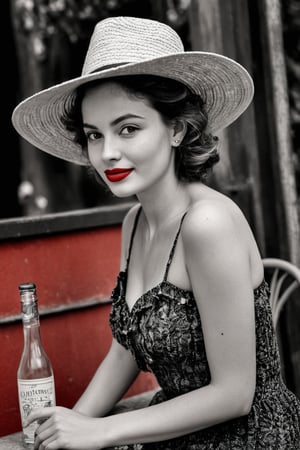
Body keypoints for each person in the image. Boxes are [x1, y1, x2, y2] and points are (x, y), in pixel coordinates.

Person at [12, 15, 300, 450]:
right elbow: (126, 348)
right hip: (173, 434)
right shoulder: (134, 223)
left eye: (128, 128)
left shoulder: (208, 224)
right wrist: (69, 425)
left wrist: (101, 430)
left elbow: (235, 394)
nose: (107, 153)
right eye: (94, 135)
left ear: (177, 129)